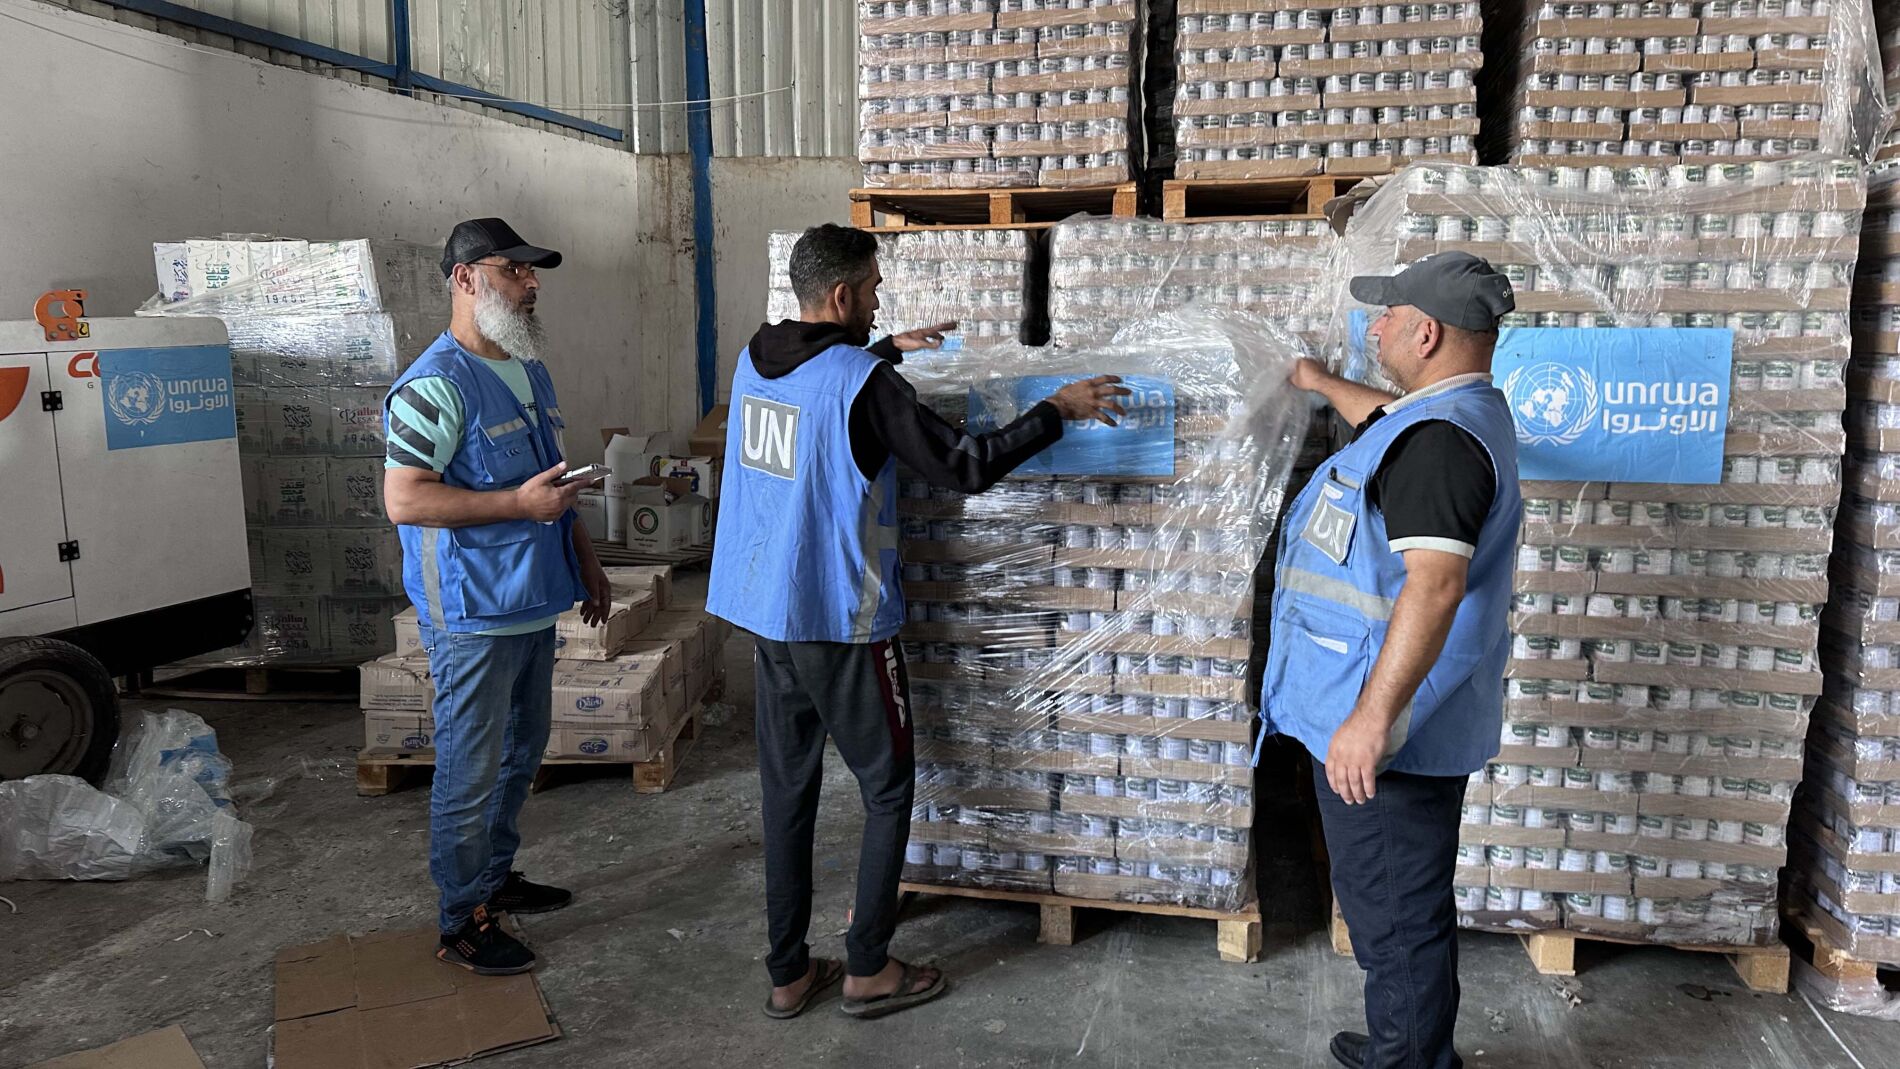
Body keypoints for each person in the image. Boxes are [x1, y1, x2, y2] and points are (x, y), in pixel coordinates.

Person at [707, 223, 1129, 1021]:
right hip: (838, 618)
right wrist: (1056, 409)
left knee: (787, 792)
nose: (878, 300)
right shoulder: (863, 384)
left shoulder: (756, 358)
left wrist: (883, 350)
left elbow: (822, 393)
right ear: (840, 295)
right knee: (888, 785)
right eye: (871, 289)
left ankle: (788, 972)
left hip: (764, 611)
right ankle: (868, 966)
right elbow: (967, 465)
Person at [1260, 252, 1521, 1069]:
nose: (1375, 329)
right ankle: (1405, 1044)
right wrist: (1315, 380)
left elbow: (1435, 586)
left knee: (1395, 913)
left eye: (1388, 316)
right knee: (1395, 900)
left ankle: (1410, 1058)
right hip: (1391, 716)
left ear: (1426, 332)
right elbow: (1382, 419)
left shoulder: (1440, 443)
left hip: (1390, 734)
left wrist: (1370, 721)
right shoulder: (1449, 415)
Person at [383, 218, 611, 975]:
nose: (530, 283)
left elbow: (553, 482)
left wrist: (587, 560)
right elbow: (406, 499)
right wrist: (517, 506)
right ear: (465, 279)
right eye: (513, 270)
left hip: (531, 599)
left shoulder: (526, 368)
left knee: (520, 753)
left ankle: (493, 877)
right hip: (473, 614)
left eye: (531, 272)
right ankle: (460, 919)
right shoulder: (435, 384)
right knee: (471, 768)